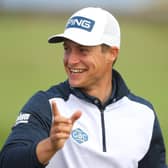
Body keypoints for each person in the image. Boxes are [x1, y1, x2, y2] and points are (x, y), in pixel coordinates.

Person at [0, 7, 167, 168]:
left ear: (112, 53)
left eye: (83, 50)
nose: (71, 60)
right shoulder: (47, 105)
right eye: (67, 49)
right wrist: (49, 146)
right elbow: (7, 161)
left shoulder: (143, 114)